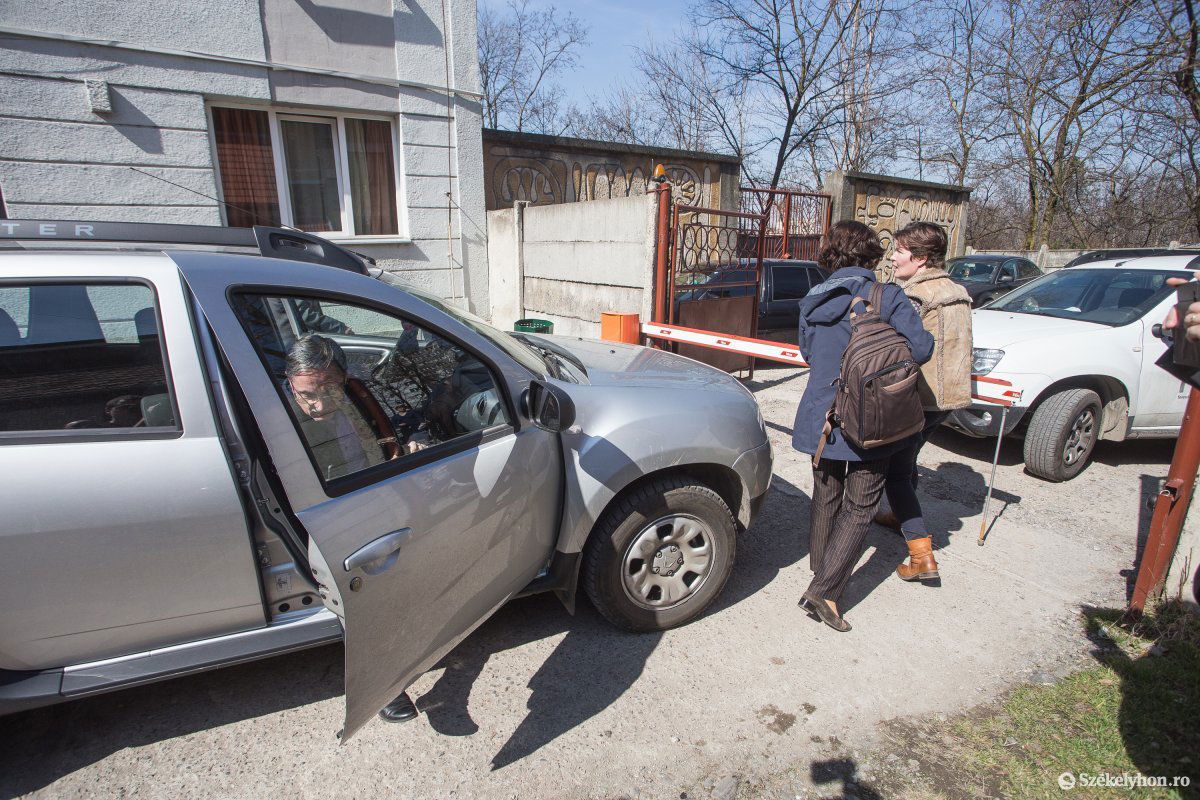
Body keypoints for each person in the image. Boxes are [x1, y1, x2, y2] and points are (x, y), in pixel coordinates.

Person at [792, 221, 934, 631]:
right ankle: (826, 591)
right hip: (872, 415)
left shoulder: (811, 301)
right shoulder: (885, 296)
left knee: (825, 494)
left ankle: (822, 568)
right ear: (871, 256)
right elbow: (921, 349)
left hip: (821, 413)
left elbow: (807, 352)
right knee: (860, 505)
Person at [283, 334, 419, 724]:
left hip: (373, 497)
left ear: (343, 379)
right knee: (360, 599)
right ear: (290, 383)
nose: (320, 403)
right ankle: (384, 684)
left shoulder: (359, 397)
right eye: (308, 394)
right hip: (329, 515)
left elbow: (388, 437)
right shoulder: (281, 418)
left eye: (330, 390)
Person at [873, 222, 973, 582]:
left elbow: (904, 348)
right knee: (909, 458)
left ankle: (921, 554)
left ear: (921, 258)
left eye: (899, 251)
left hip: (921, 397)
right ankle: (901, 517)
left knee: (895, 475)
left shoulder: (916, 295)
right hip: (949, 398)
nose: (893, 257)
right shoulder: (957, 290)